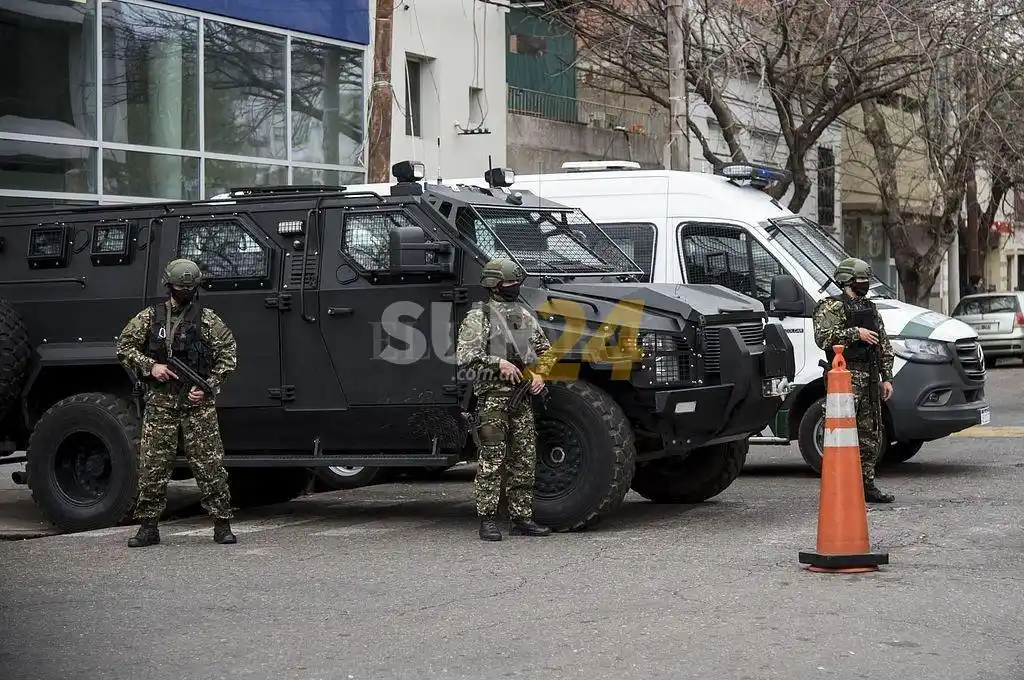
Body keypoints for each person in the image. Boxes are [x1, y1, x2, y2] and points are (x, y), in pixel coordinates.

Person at [116, 258, 239, 547]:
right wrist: (151, 367)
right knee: (153, 466)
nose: (184, 292)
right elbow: (124, 346)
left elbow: (228, 355)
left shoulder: (207, 319)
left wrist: (208, 388)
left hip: (197, 406)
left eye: (189, 288)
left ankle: (222, 524)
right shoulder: (150, 317)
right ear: (168, 286)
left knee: (210, 466)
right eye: (180, 287)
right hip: (161, 403)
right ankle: (148, 527)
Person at [456, 258, 560, 541]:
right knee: (492, 461)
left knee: (524, 460)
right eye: (510, 283)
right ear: (494, 284)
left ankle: (521, 518)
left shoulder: (523, 315)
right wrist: (497, 362)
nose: (515, 287)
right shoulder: (479, 317)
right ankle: (487, 519)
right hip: (492, 400)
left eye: (517, 283)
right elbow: (465, 358)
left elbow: (547, 352)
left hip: (520, 398)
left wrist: (540, 374)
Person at [812, 257, 896, 504]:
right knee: (839, 434)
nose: (865, 284)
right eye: (861, 280)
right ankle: (838, 485)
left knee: (870, 435)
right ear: (847, 281)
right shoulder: (830, 307)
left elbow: (883, 344)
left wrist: (886, 377)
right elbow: (823, 338)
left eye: (866, 280)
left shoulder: (870, 308)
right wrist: (854, 333)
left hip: (869, 377)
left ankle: (867, 485)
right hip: (844, 380)